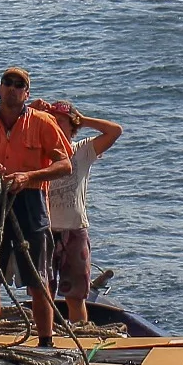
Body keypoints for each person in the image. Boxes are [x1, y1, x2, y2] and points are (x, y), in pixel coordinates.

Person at [0, 66, 73, 350]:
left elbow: (65, 165)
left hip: (30, 204)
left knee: (38, 279)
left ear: (26, 93)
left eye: (18, 85)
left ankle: (45, 343)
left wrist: (28, 177)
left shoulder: (43, 123)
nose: (12, 88)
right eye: (7, 83)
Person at [31, 99, 123, 325]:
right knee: (42, 293)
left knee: (75, 296)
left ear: (72, 127)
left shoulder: (82, 150)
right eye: (51, 121)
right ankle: (45, 336)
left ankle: (79, 333)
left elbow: (114, 131)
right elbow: (14, 133)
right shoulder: (37, 153)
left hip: (74, 231)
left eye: (60, 122)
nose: (55, 126)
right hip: (43, 231)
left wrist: (82, 119)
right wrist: (32, 111)